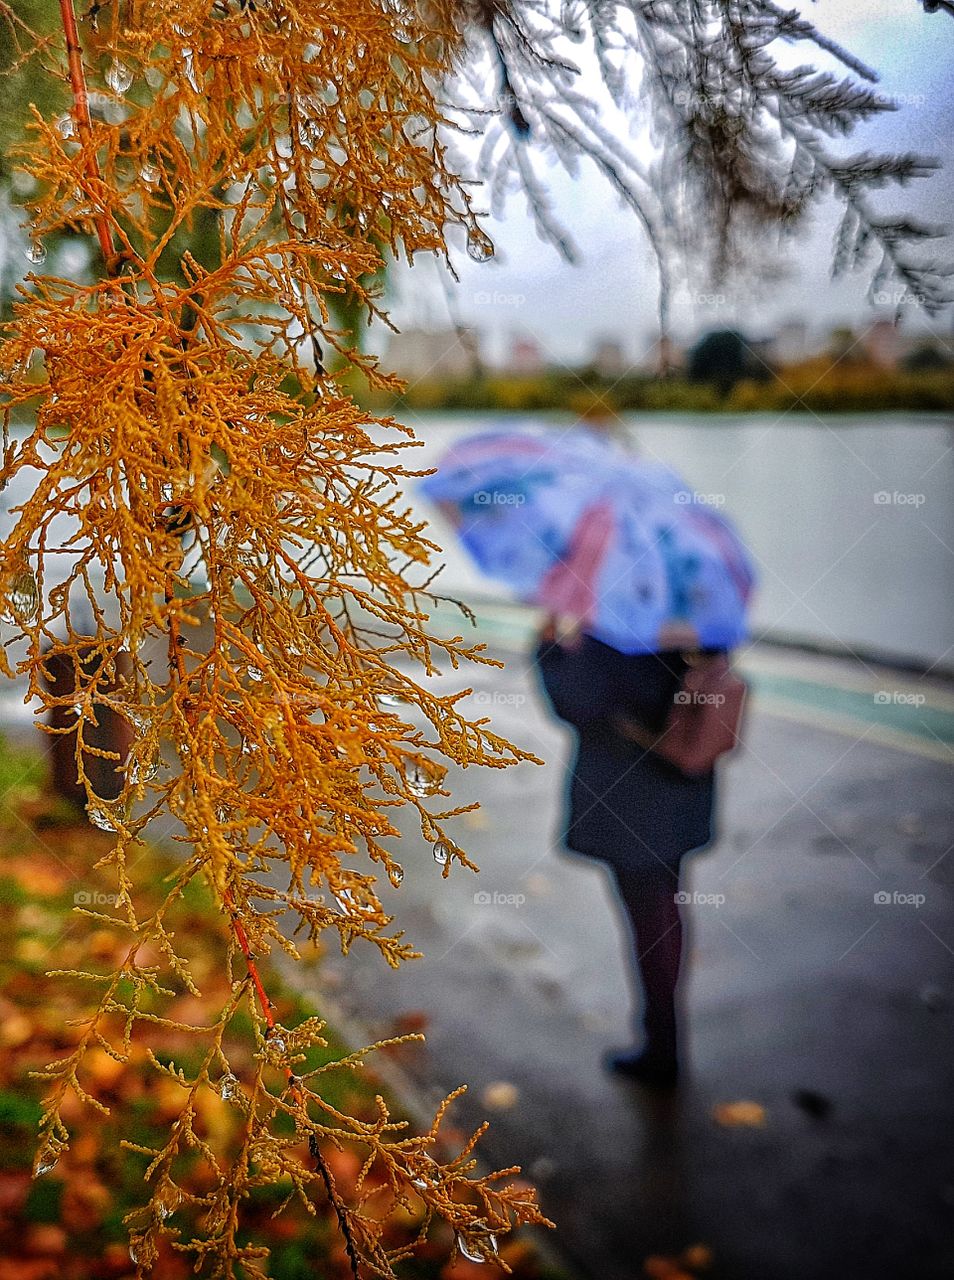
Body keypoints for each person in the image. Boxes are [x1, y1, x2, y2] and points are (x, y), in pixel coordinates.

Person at [535, 622, 719, 1087]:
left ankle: (661, 1049)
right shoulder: (697, 609)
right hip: (680, 785)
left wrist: (549, 645)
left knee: (649, 913)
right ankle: (664, 1039)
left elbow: (575, 703)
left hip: (628, 797)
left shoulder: (618, 621)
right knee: (665, 904)